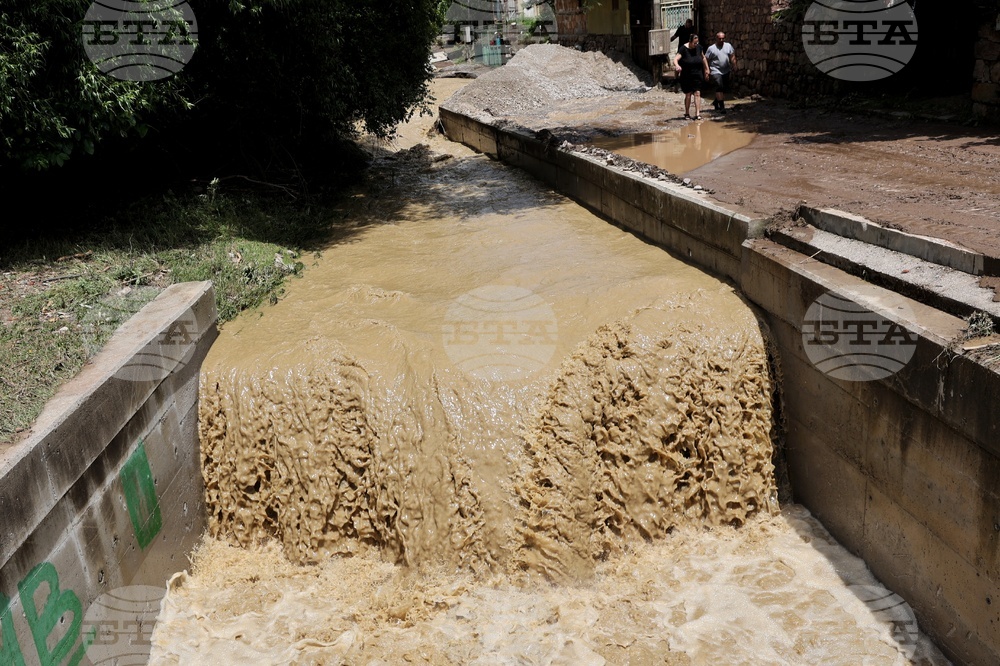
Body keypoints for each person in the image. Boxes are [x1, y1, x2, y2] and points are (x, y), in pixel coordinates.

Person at [673, 34, 710, 120]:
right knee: (688, 94)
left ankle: (697, 114)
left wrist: (707, 69)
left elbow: (703, 58)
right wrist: (677, 65)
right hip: (686, 75)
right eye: (694, 43)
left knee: (697, 93)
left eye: (697, 43)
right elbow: (675, 59)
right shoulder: (683, 49)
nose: (696, 44)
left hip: (697, 74)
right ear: (690, 42)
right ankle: (687, 113)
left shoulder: (699, 48)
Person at [705, 32, 737, 114]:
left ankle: (716, 102)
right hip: (715, 70)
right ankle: (722, 107)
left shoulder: (728, 46)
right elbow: (706, 60)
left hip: (726, 70)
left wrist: (734, 64)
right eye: (720, 39)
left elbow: (732, 55)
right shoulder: (711, 49)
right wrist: (707, 70)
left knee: (724, 88)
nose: (721, 40)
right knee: (719, 86)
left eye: (723, 38)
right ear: (716, 39)